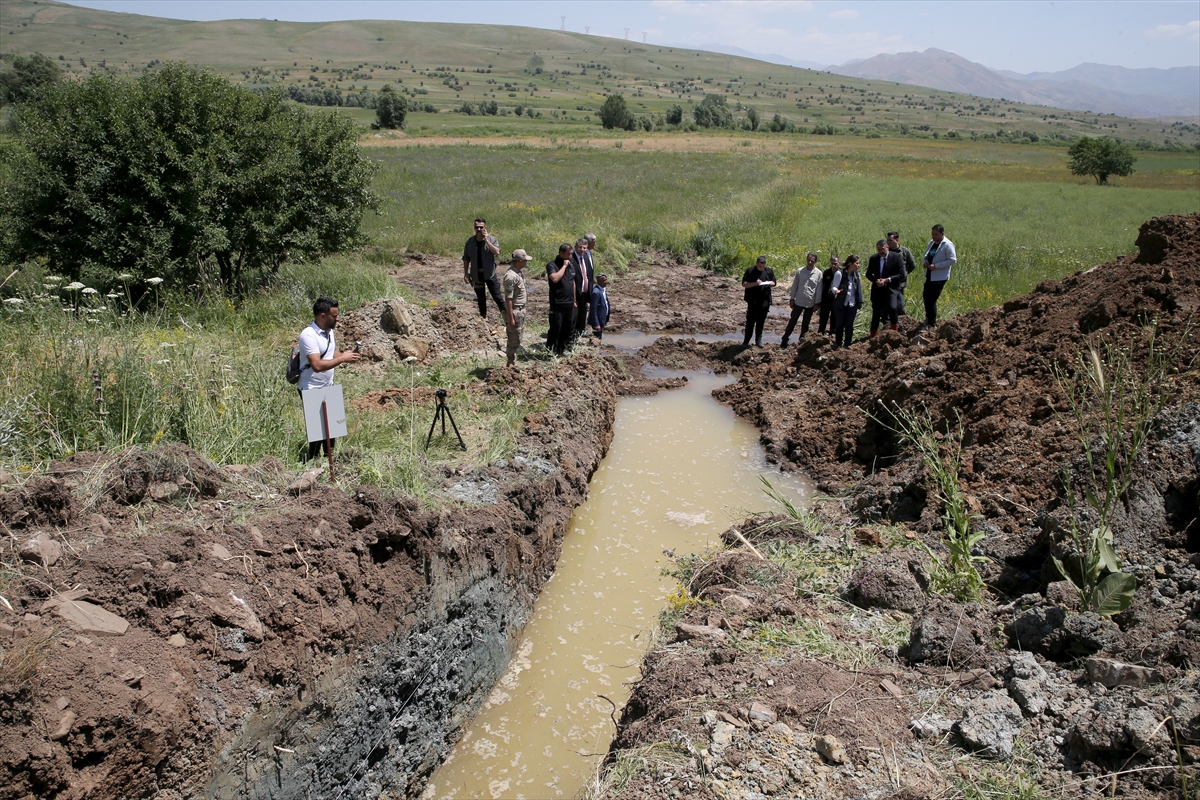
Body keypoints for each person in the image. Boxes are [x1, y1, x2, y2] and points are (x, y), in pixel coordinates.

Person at [298, 296, 361, 461]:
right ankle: (312, 464)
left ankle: (329, 463)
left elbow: (332, 354)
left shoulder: (329, 332)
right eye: (334, 316)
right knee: (317, 433)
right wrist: (342, 359)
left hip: (328, 385)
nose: (338, 318)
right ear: (322, 316)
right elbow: (317, 365)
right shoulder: (308, 335)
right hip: (311, 387)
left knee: (333, 429)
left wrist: (348, 355)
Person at [462, 217, 504, 319]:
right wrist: (466, 273)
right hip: (476, 275)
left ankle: (507, 319)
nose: (479, 229)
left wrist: (487, 240)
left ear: (485, 227)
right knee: (481, 299)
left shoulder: (493, 239)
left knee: (498, 297)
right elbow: (466, 258)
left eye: (481, 227)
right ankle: (483, 319)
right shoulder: (470, 241)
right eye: (477, 227)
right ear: (474, 228)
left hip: (490, 274)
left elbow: (497, 252)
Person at [780, 252, 823, 348]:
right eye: (809, 260)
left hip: (810, 303)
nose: (810, 262)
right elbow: (794, 285)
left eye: (812, 260)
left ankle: (801, 343)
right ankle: (784, 340)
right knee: (792, 321)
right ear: (806, 259)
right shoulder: (800, 271)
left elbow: (819, 289)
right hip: (798, 301)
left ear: (815, 261)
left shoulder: (819, 274)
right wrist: (792, 299)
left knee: (805, 325)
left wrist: (817, 303)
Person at [866, 239, 907, 337]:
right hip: (878, 289)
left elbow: (901, 274)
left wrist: (887, 280)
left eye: (882, 249)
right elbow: (868, 274)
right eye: (878, 249)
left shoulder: (896, 257)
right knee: (876, 312)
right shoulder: (874, 258)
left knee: (892, 308)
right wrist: (876, 280)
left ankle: (894, 333)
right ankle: (873, 334)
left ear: (887, 247)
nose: (880, 251)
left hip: (891, 288)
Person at [921, 224, 957, 328]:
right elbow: (927, 255)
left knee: (931, 299)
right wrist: (926, 262)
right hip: (930, 274)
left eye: (936, 234)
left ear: (942, 234)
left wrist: (937, 266)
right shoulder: (932, 243)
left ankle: (932, 323)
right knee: (926, 297)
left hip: (940, 276)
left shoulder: (947, 244)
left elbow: (952, 260)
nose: (934, 236)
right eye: (932, 234)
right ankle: (928, 318)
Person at [546, 243, 577, 356]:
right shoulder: (552, 265)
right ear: (561, 253)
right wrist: (564, 266)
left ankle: (561, 349)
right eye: (568, 254)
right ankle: (551, 351)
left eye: (571, 254)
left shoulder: (572, 265)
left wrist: (574, 300)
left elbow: (572, 282)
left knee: (567, 328)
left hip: (569, 303)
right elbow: (554, 278)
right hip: (557, 303)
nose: (570, 256)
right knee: (556, 328)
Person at [741, 255, 776, 347]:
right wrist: (755, 284)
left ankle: (758, 341)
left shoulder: (768, 271)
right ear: (756, 263)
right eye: (760, 266)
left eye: (763, 266)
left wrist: (769, 284)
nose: (761, 268)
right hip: (752, 301)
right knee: (750, 322)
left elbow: (774, 282)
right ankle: (746, 341)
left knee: (761, 322)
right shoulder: (750, 271)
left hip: (764, 301)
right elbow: (744, 284)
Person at [829, 254, 862, 350]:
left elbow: (858, 289)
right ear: (850, 264)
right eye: (857, 263)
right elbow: (833, 286)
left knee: (849, 324)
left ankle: (847, 344)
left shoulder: (856, 275)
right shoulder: (840, 274)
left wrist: (860, 300)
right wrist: (836, 291)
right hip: (840, 303)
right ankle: (838, 342)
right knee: (840, 323)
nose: (858, 265)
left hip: (852, 304)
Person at [502, 249, 529, 367]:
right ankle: (510, 362)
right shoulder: (510, 276)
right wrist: (510, 317)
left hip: (520, 310)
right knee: (514, 338)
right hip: (515, 311)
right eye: (525, 260)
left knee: (518, 336)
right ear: (520, 261)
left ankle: (513, 361)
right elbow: (508, 299)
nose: (526, 262)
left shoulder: (518, 273)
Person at [887, 230, 917, 318]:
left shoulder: (904, 251)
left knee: (900, 306)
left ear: (897, 240)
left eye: (890, 240)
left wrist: (904, 273)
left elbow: (912, 265)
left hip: (900, 283)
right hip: (888, 282)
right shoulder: (887, 252)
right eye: (887, 240)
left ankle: (903, 323)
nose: (888, 243)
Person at [571, 238, 594, 344]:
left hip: (584, 291)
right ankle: (573, 336)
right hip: (575, 292)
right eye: (580, 247)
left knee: (583, 312)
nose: (582, 249)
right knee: (574, 314)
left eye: (584, 247)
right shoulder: (572, 258)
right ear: (575, 247)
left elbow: (589, 274)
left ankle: (581, 331)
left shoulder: (585, 257)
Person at [817, 255, 839, 337]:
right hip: (826, 299)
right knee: (823, 317)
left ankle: (832, 334)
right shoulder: (827, 272)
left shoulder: (841, 273)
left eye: (836, 263)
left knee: (834, 318)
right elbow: (823, 286)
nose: (834, 265)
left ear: (839, 263)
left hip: (836, 300)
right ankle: (820, 333)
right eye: (832, 263)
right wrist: (820, 299)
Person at [588, 273, 611, 340]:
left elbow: (605, 304)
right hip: (598, 321)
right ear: (598, 281)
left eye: (606, 280)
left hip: (602, 319)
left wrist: (606, 319)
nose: (606, 282)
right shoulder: (596, 292)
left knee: (599, 337)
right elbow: (593, 310)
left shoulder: (602, 290)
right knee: (597, 338)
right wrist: (596, 324)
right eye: (604, 280)